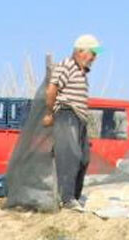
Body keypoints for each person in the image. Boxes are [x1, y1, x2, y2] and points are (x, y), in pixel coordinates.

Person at [41, 34, 100, 210]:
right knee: (69, 156)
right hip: (67, 114)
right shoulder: (66, 65)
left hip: (80, 118)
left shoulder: (82, 71)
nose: (94, 58)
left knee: (83, 158)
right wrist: (49, 113)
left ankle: (74, 196)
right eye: (93, 53)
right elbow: (52, 89)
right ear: (81, 51)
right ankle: (67, 199)